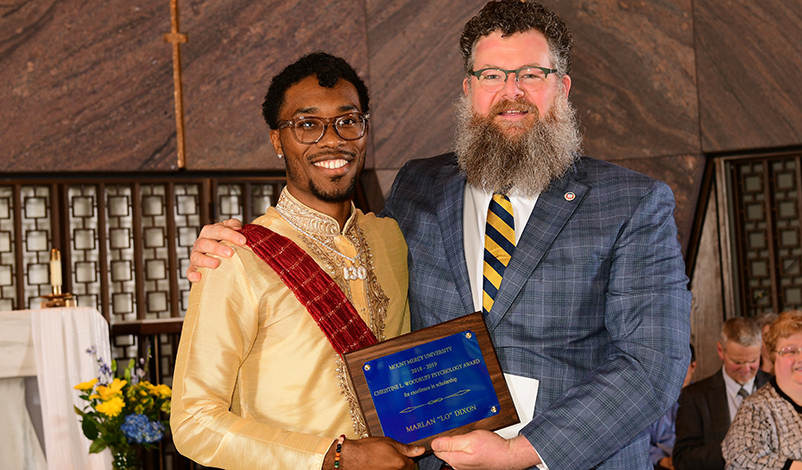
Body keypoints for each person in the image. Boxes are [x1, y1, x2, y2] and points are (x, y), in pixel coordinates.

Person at [186, 2, 692, 469]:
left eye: (532, 75)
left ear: (562, 87)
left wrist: (520, 452)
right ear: (468, 89)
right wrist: (232, 244)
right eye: (492, 74)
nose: (511, 92)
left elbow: (653, 365)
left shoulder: (631, 203)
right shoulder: (419, 187)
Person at [170, 52, 424, 470]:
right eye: (307, 125)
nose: (333, 139)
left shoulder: (391, 238)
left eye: (348, 120)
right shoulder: (237, 256)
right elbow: (194, 421)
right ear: (277, 140)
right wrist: (335, 457)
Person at [673, 317, 771, 470]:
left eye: (753, 360)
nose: (746, 370)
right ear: (721, 351)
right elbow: (682, 459)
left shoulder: (775, 386)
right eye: (737, 362)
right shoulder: (696, 397)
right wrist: (729, 449)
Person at [721, 310, 802, 469]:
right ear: (773, 356)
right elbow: (740, 461)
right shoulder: (754, 409)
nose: (800, 358)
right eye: (790, 351)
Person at [649, 344, 697, 470]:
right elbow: (643, 441)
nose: (677, 373)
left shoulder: (703, 399)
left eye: (683, 366)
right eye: (672, 365)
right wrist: (661, 459)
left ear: (693, 366)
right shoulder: (654, 401)